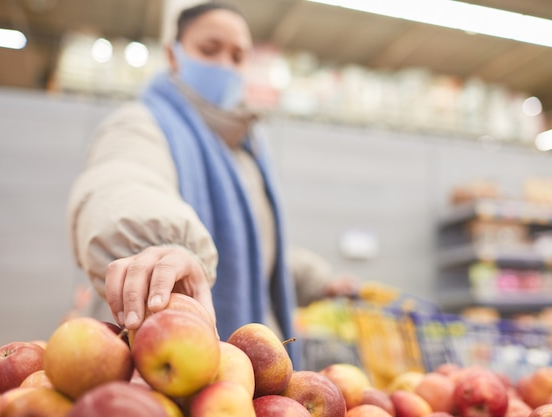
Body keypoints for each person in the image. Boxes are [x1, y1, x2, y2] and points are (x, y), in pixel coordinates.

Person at [66, 1, 357, 364]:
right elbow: (123, 182)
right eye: (208, 50)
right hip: (149, 360)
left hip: (239, 374)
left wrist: (317, 280)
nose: (224, 64)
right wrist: (163, 248)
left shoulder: (247, 151)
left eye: (237, 56)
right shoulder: (139, 124)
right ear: (173, 56)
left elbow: (252, 249)